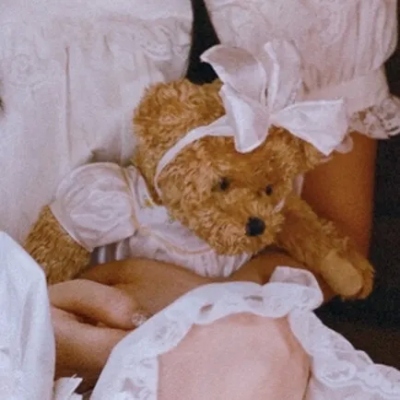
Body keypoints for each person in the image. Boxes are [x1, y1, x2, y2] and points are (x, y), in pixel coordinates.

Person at [0, 0, 397, 395]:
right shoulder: (103, 198)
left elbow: (335, 231)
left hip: (202, 364)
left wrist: (214, 302)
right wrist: (25, 335)